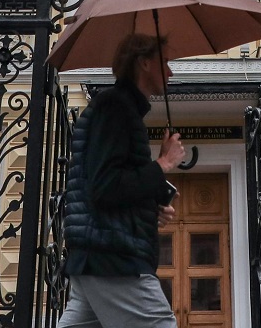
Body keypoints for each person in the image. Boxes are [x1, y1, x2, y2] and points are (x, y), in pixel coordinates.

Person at [58, 34, 186, 328]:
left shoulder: (119, 108)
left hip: (98, 252)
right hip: (112, 255)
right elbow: (105, 187)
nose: (170, 71)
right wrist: (163, 163)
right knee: (160, 324)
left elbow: (106, 186)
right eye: (164, 62)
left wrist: (149, 207)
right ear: (143, 63)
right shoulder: (116, 107)